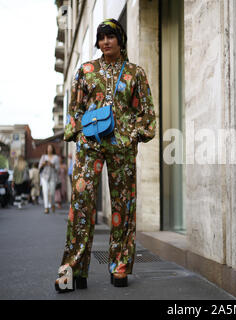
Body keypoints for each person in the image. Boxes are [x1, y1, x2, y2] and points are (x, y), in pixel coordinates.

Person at [55, 18, 156, 293]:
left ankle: (119, 266)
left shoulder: (135, 73)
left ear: (120, 40)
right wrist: (77, 134)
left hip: (122, 147)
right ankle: (73, 269)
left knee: (124, 206)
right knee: (81, 204)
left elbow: (146, 112)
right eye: (101, 38)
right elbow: (75, 109)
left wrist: (134, 133)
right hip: (90, 145)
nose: (105, 42)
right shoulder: (85, 71)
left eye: (110, 36)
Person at [38, 144, 60, 214]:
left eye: (51, 148)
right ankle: (46, 207)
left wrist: (52, 164)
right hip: (44, 176)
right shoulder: (44, 157)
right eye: (48, 148)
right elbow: (39, 167)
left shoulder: (56, 157)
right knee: (45, 191)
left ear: (53, 149)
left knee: (52, 193)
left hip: (53, 177)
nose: (49, 149)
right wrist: (43, 164)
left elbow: (58, 169)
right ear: (47, 149)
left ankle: (52, 204)